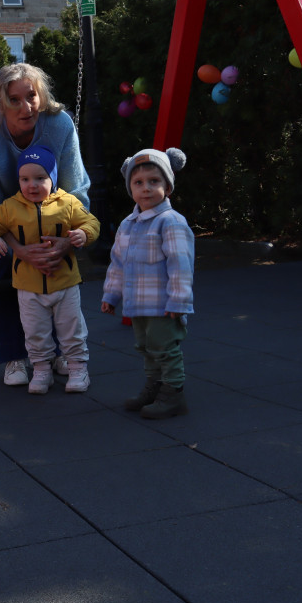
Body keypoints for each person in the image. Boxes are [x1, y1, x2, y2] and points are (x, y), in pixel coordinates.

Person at [0, 62, 92, 387]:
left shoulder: (59, 124)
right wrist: (19, 250)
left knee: (54, 265)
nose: (26, 107)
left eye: (31, 96)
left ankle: (59, 351)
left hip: (49, 192)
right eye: (15, 100)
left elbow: (75, 191)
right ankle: (13, 356)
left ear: (41, 95)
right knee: (3, 266)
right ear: (0, 103)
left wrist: (64, 243)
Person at [0, 145, 100, 394]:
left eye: (40, 178)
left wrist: (82, 233)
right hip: (28, 286)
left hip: (65, 283)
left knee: (72, 329)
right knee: (35, 332)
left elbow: (91, 222)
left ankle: (78, 369)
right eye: (25, 179)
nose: (32, 185)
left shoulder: (67, 202)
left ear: (52, 179)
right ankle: (42, 370)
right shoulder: (11, 207)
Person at [101, 148, 194, 419]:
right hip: (137, 304)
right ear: (130, 187)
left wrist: (178, 300)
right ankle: (155, 387)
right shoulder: (128, 224)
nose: (146, 188)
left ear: (168, 186)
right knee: (145, 347)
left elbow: (181, 264)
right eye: (138, 182)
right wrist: (111, 295)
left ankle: (174, 395)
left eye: (154, 181)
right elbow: (118, 264)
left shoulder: (171, 222)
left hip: (163, 305)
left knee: (165, 349)